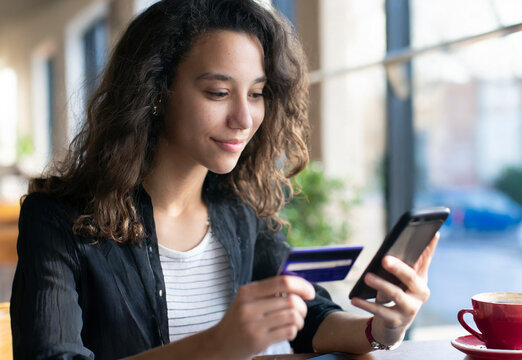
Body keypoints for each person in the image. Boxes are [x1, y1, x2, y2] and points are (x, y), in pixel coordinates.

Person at [10, 0, 439, 359]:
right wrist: (218, 344)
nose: (244, 118)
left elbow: (309, 317)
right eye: (218, 93)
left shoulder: (239, 210)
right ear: (156, 92)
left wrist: (380, 330)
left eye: (256, 94)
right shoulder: (56, 220)